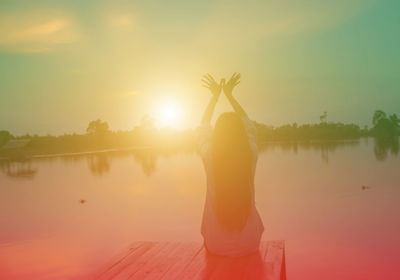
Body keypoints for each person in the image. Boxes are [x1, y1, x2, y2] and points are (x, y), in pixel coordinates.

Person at [197, 73, 264, 257]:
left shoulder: (209, 155)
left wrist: (214, 97)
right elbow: (250, 126)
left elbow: (202, 127)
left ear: (217, 136)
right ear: (241, 134)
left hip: (216, 245)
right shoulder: (250, 153)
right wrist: (230, 95)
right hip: (250, 244)